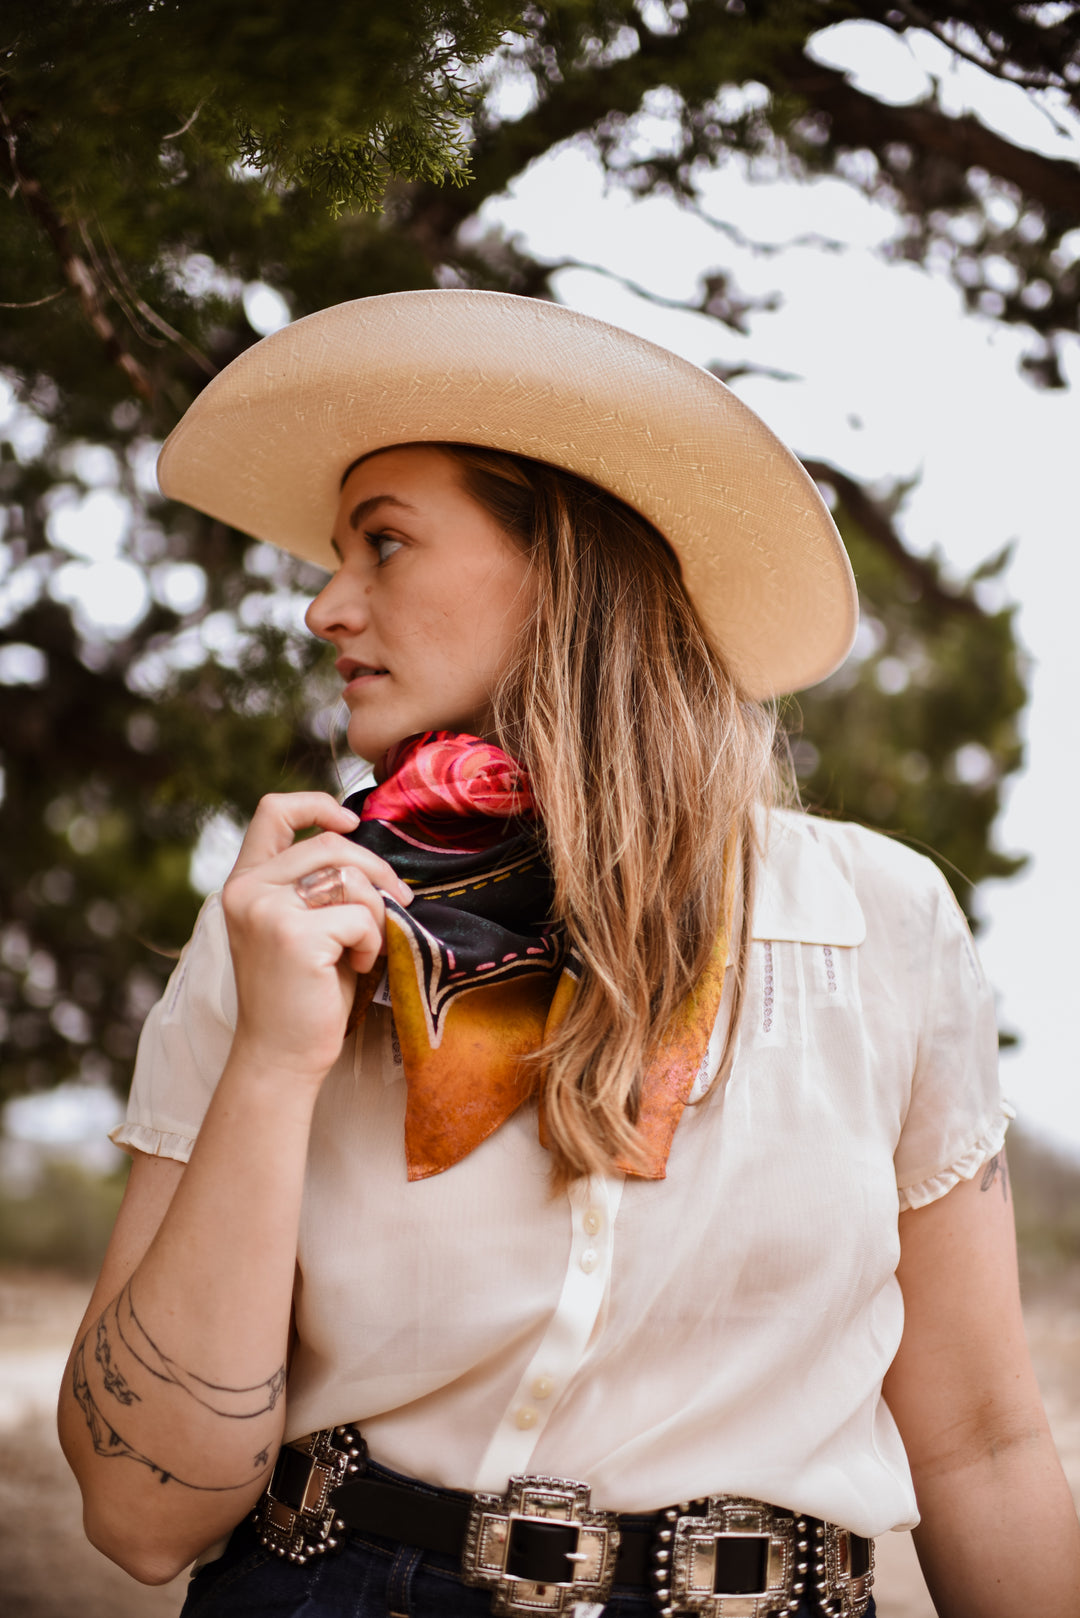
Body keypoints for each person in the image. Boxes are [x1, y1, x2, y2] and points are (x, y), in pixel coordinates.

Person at [58, 291, 1080, 1618]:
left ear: (565, 564)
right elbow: (141, 1515)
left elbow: (982, 1443)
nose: (324, 608)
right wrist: (272, 1056)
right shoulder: (290, 922)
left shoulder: (880, 921)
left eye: (381, 544)